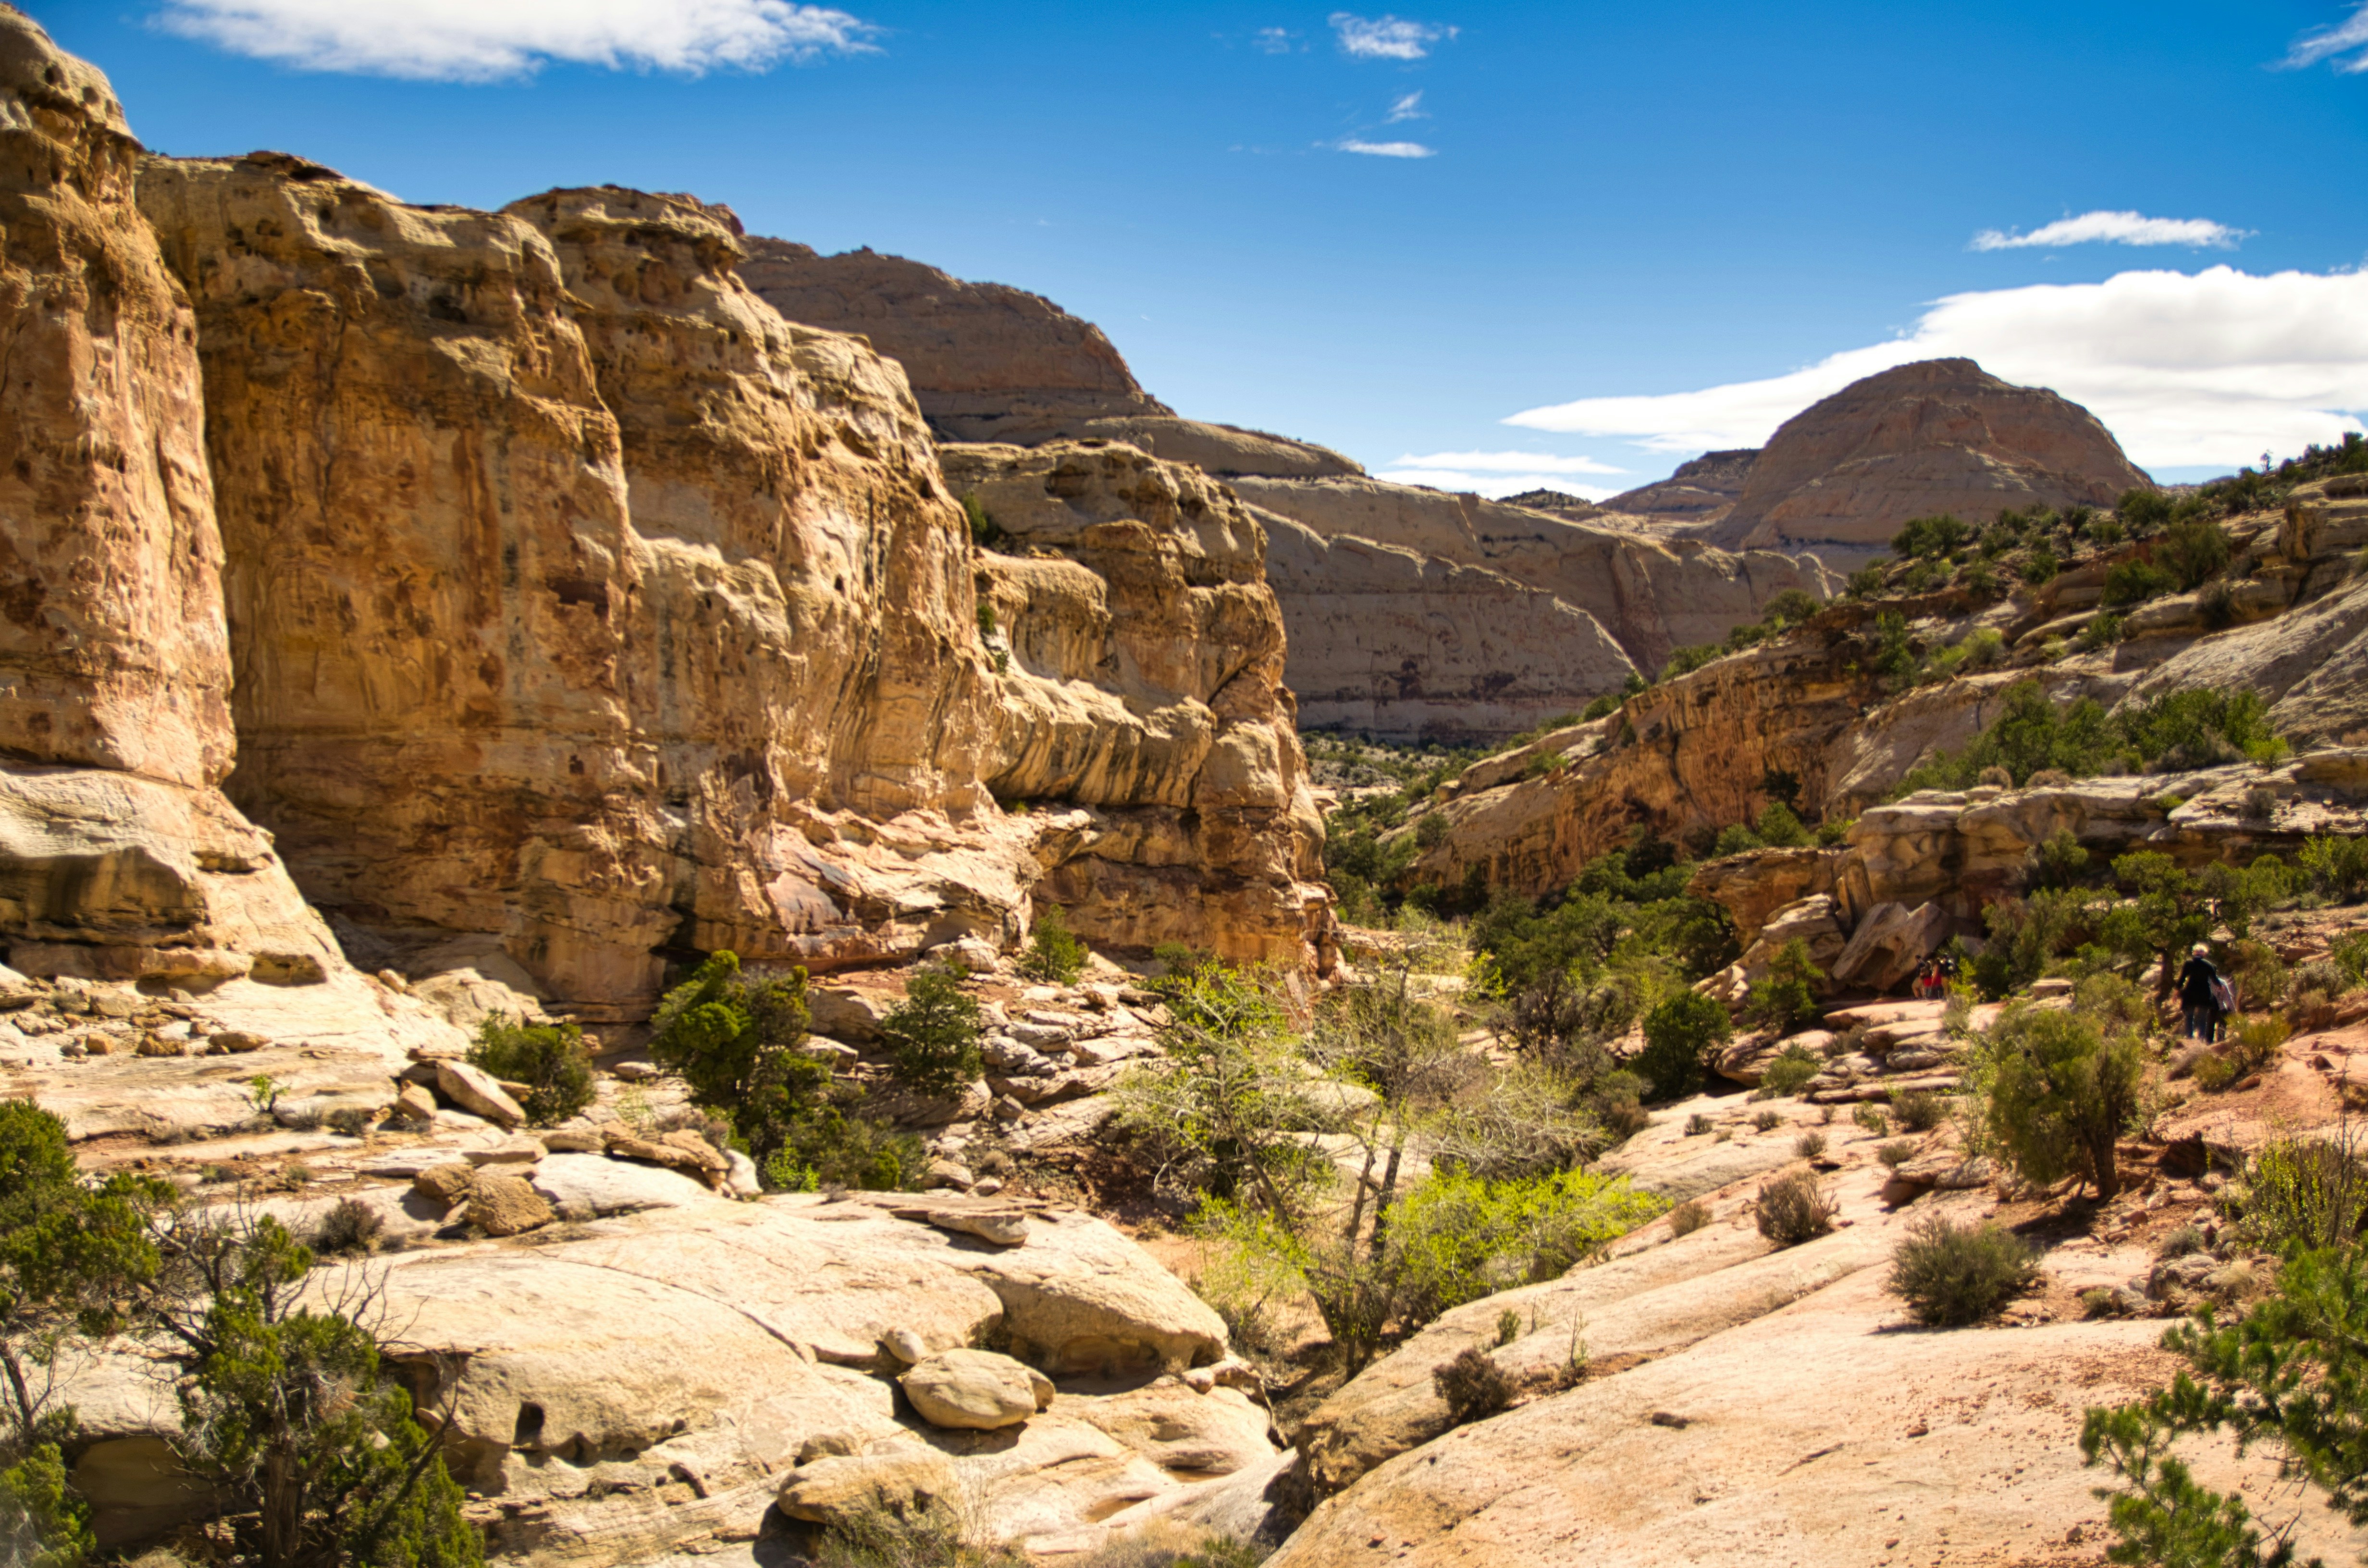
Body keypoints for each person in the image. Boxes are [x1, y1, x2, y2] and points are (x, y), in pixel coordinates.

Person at [2177, 943, 2224, 1042]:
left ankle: (2190, 1037)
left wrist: (2176, 992)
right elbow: (2215, 980)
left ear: (2194, 953)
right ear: (2204, 954)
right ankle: (2201, 1039)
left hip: (2190, 993)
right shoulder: (2209, 965)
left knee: (2189, 1016)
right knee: (2203, 1018)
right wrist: (2221, 987)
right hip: (2204, 994)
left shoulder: (2189, 964)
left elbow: (2182, 979)